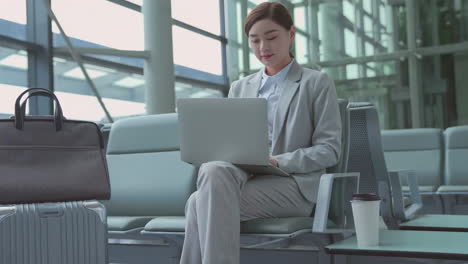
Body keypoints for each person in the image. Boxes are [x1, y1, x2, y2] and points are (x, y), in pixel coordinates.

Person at [179, 2, 341, 264]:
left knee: (199, 203)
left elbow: (329, 150)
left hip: (294, 186)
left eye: (271, 37)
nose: (263, 48)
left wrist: (280, 161)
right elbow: (229, 144)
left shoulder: (316, 83)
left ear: (291, 34)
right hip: (244, 177)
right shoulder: (239, 88)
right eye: (254, 41)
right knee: (211, 169)